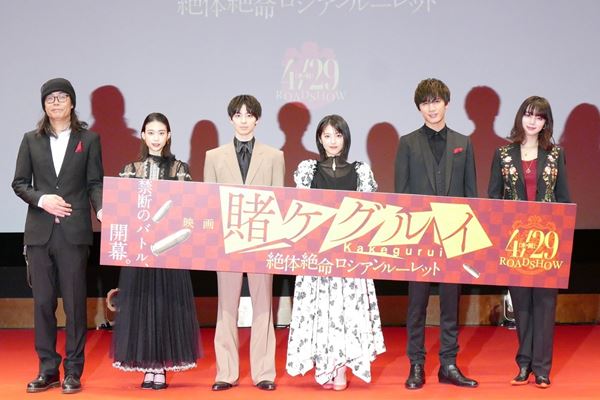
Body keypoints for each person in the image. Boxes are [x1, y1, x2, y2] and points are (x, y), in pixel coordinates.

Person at [12, 78, 103, 394]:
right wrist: (42, 199)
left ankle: (73, 371)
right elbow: (19, 183)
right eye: (50, 98)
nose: (56, 102)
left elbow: (94, 182)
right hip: (40, 234)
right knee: (43, 304)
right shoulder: (31, 140)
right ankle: (48, 369)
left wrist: (102, 209)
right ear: (44, 104)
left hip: (74, 233)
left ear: (72, 103)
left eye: (62, 96)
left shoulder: (88, 140)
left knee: (75, 305)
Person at [286, 114, 386, 390]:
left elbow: (369, 213)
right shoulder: (308, 170)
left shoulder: (360, 171)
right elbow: (299, 210)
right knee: (321, 313)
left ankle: (341, 370)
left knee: (348, 314)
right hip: (317, 256)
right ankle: (325, 368)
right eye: (327, 135)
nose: (332, 141)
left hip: (349, 256)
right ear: (319, 139)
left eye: (338, 135)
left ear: (345, 138)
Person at [394, 78, 478, 389]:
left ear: (446, 103)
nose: (432, 108)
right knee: (416, 305)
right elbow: (401, 195)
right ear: (419, 107)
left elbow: (471, 195)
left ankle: (449, 364)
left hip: (454, 234)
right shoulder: (407, 143)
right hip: (419, 236)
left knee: (450, 304)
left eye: (436, 101)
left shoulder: (463, 143)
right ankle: (416, 364)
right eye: (426, 103)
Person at [111, 112, 200, 390]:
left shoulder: (180, 169)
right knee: (141, 306)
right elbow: (122, 211)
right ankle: (147, 365)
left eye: (161, 133)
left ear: (169, 136)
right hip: (139, 250)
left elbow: (187, 208)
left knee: (165, 307)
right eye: (151, 132)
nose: (156, 138)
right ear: (143, 135)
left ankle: (159, 366)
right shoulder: (129, 170)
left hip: (169, 251)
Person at [204, 95, 285, 391]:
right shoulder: (214, 156)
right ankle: (226, 372)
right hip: (226, 242)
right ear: (231, 119)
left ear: (257, 119)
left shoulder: (274, 156)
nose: (243, 120)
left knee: (264, 307)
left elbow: (279, 201)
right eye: (238, 115)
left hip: (262, 240)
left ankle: (264, 372)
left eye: (249, 115)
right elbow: (209, 203)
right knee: (226, 307)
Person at [488, 96, 570, 389]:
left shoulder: (556, 155)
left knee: (545, 306)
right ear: (520, 117)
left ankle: (542, 369)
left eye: (539, 116)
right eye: (528, 114)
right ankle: (524, 365)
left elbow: (563, 199)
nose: (532, 121)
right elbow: (493, 198)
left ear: (546, 122)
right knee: (521, 305)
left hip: (547, 243)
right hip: (515, 243)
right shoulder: (503, 154)